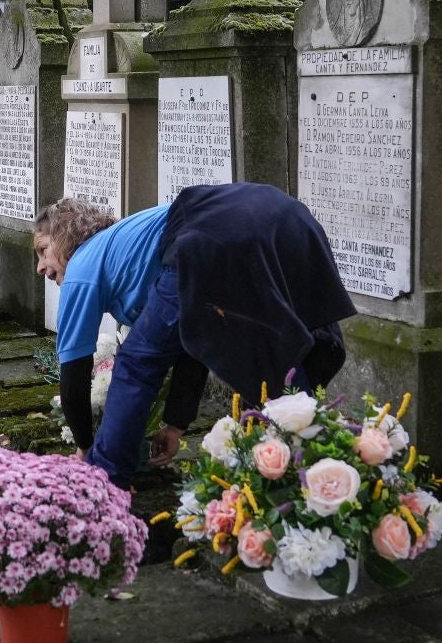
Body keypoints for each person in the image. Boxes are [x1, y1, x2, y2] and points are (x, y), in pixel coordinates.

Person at [34, 183, 356, 488]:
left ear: (65, 237)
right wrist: (176, 424)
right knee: (279, 364)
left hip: (215, 230)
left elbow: (74, 374)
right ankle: (320, 467)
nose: (40, 267)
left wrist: (86, 449)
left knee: (134, 363)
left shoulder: (81, 268)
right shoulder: (126, 250)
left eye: (43, 250)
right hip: (287, 216)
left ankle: (105, 484)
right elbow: (191, 334)